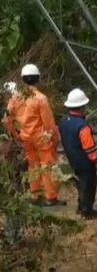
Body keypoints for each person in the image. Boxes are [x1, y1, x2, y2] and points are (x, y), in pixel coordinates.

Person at [1, 64, 63, 206]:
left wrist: (15, 135)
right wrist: (54, 137)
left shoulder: (15, 99)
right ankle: (50, 197)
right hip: (42, 138)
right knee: (47, 166)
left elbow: (6, 119)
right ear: (38, 79)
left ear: (22, 80)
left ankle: (35, 196)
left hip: (25, 138)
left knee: (33, 166)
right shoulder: (41, 99)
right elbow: (48, 122)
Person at [58, 89, 97, 220]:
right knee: (88, 186)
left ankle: (80, 206)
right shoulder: (83, 126)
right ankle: (87, 211)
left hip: (72, 158)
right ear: (82, 107)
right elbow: (89, 148)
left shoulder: (64, 121)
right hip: (84, 161)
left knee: (80, 183)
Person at [1, 82, 25, 246]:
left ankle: (11, 236)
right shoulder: (7, 114)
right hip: (7, 158)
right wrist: (17, 139)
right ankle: (11, 237)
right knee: (13, 195)